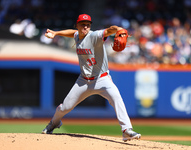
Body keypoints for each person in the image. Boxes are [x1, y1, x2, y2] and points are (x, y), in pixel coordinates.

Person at [42, 14, 141, 142]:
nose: (86, 26)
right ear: (77, 26)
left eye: (88, 24)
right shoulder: (78, 35)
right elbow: (72, 33)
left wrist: (118, 30)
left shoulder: (95, 35)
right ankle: (53, 124)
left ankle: (126, 130)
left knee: (117, 98)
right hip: (83, 81)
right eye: (82, 24)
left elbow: (109, 30)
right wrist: (56, 33)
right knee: (64, 108)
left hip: (102, 79)